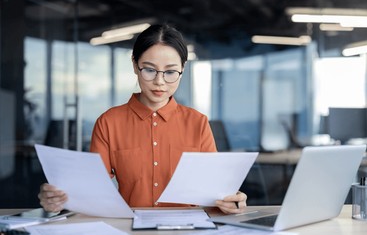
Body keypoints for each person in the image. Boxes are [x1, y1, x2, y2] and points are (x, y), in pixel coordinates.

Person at [38, 24, 247, 214]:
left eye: (171, 72)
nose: (159, 82)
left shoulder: (198, 123)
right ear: (134, 65)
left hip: (188, 228)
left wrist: (231, 201)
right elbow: (90, 191)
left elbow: (214, 192)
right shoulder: (109, 122)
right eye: (149, 69)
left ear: (182, 69)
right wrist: (58, 200)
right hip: (129, 226)